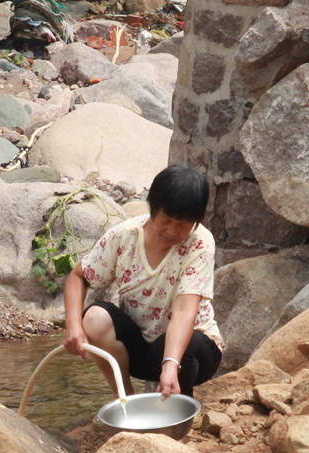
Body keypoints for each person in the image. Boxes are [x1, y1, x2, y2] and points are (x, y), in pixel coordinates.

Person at [63, 164, 224, 401]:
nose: (172, 231)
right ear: (153, 208)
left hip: (194, 353)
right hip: (140, 352)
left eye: (183, 225)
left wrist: (170, 365)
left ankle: (181, 406)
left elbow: (184, 309)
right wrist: (73, 325)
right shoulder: (123, 237)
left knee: (170, 349)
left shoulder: (200, 242)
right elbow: (78, 277)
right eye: (166, 220)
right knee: (94, 317)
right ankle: (125, 401)